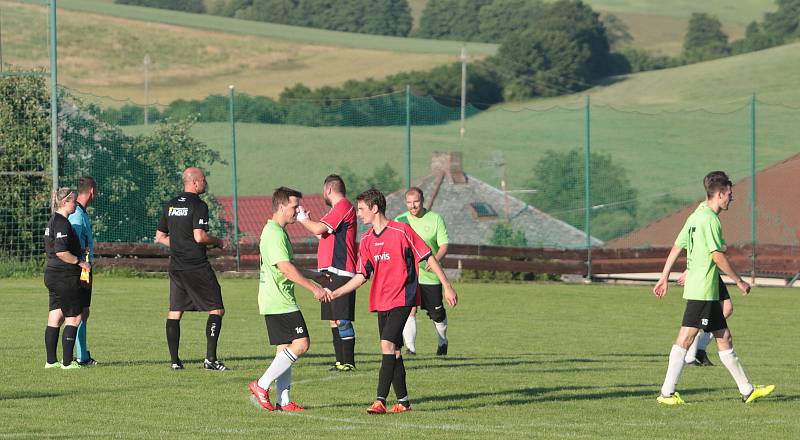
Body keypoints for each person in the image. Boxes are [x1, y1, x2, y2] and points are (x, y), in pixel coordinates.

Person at [327, 189, 458, 414]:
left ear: (375, 208)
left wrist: (446, 286)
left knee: (386, 346)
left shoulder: (402, 230)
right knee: (394, 351)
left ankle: (380, 400)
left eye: (361, 209)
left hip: (404, 298)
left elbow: (428, 256)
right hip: (381, 301)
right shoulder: (367, 240)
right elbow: (361, 276)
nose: (358, 214)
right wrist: (336, 293)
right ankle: (404, 402)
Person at [653, 171, 774, 405]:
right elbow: (717, 257)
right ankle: (666, 393)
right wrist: (739, 281)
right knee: (686, 338)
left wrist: (664, 276)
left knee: (724, 337)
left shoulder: (697, 214)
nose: (731, 198)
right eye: (730, 194)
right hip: (704, 289)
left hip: (705, 288)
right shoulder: (709, 219)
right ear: (719, 194)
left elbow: (678, 245)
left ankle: (747, 390)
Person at [248, 187, 331, 411]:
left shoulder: (278, 231)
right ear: (282, 206)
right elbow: (284, 268)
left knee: (284, 350)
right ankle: (261, 385)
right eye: (295, 207)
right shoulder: (274, 233)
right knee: (301, 344)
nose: (298, 210)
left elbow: (289, 264)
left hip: (274, 299)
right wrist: (314, 288)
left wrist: (314, 274)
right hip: (279, 300)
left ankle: (283, 401)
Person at [155, 167, 226, 371]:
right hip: (196, 266)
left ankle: (175, 362)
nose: (205, 183)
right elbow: (199, 237)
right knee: (217, 309)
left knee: (175, 311)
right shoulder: (199, 205)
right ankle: (210, 360)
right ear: (194, 182)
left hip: (176, 267)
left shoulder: (170, 205)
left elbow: (160, 237)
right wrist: (218, 241)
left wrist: (179, 245)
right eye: (203, 180)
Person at [296, 175, 358, 372]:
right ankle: (340, 362)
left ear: (329, 189)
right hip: (331, 271)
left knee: (341, 318)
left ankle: (348, 362)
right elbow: (320, 233)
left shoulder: (342, 206)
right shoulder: (335, 210)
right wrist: (305, 221)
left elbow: (317, 227)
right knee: (334, 319)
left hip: (341, 270)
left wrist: (303, 219)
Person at [395, 187, 450, 356]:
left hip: (430, 276)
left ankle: (442, 342)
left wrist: (436, 260)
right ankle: (410, 348)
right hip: (409, 276)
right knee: (409, 308)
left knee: (437, 314)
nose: (413, 206)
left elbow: (443, 245)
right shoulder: (400, 220)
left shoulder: (435, 219)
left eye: (416, 202)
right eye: (409, 202)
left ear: (422, 201)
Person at [43, 187, 92, 369]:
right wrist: (81, 262)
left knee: (55, 317)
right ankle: (67, 363)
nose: (75, 204)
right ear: (65, 202)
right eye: (73, 201)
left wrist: (78, 250)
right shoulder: (62, 222)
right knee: (74, 317)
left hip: (52, 273)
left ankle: (51, 361)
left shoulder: (52, 221)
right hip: (64, 275)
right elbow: (62, 252)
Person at [68, 176, 98, 366]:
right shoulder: (77, 215)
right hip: (80, 269)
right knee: (75, 312)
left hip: (84, 269)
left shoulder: (81, 211)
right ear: (92, 191)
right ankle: (76, 356)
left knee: (83, 311)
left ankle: (82, 354)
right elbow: (72, 242)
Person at [681, 273, 733, 366]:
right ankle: (691, 357)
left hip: (713, 273)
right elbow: (704, 258)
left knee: (726, 310)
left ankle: (699, 349)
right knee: (700, 318)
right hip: (705, 276)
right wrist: (688, 272)